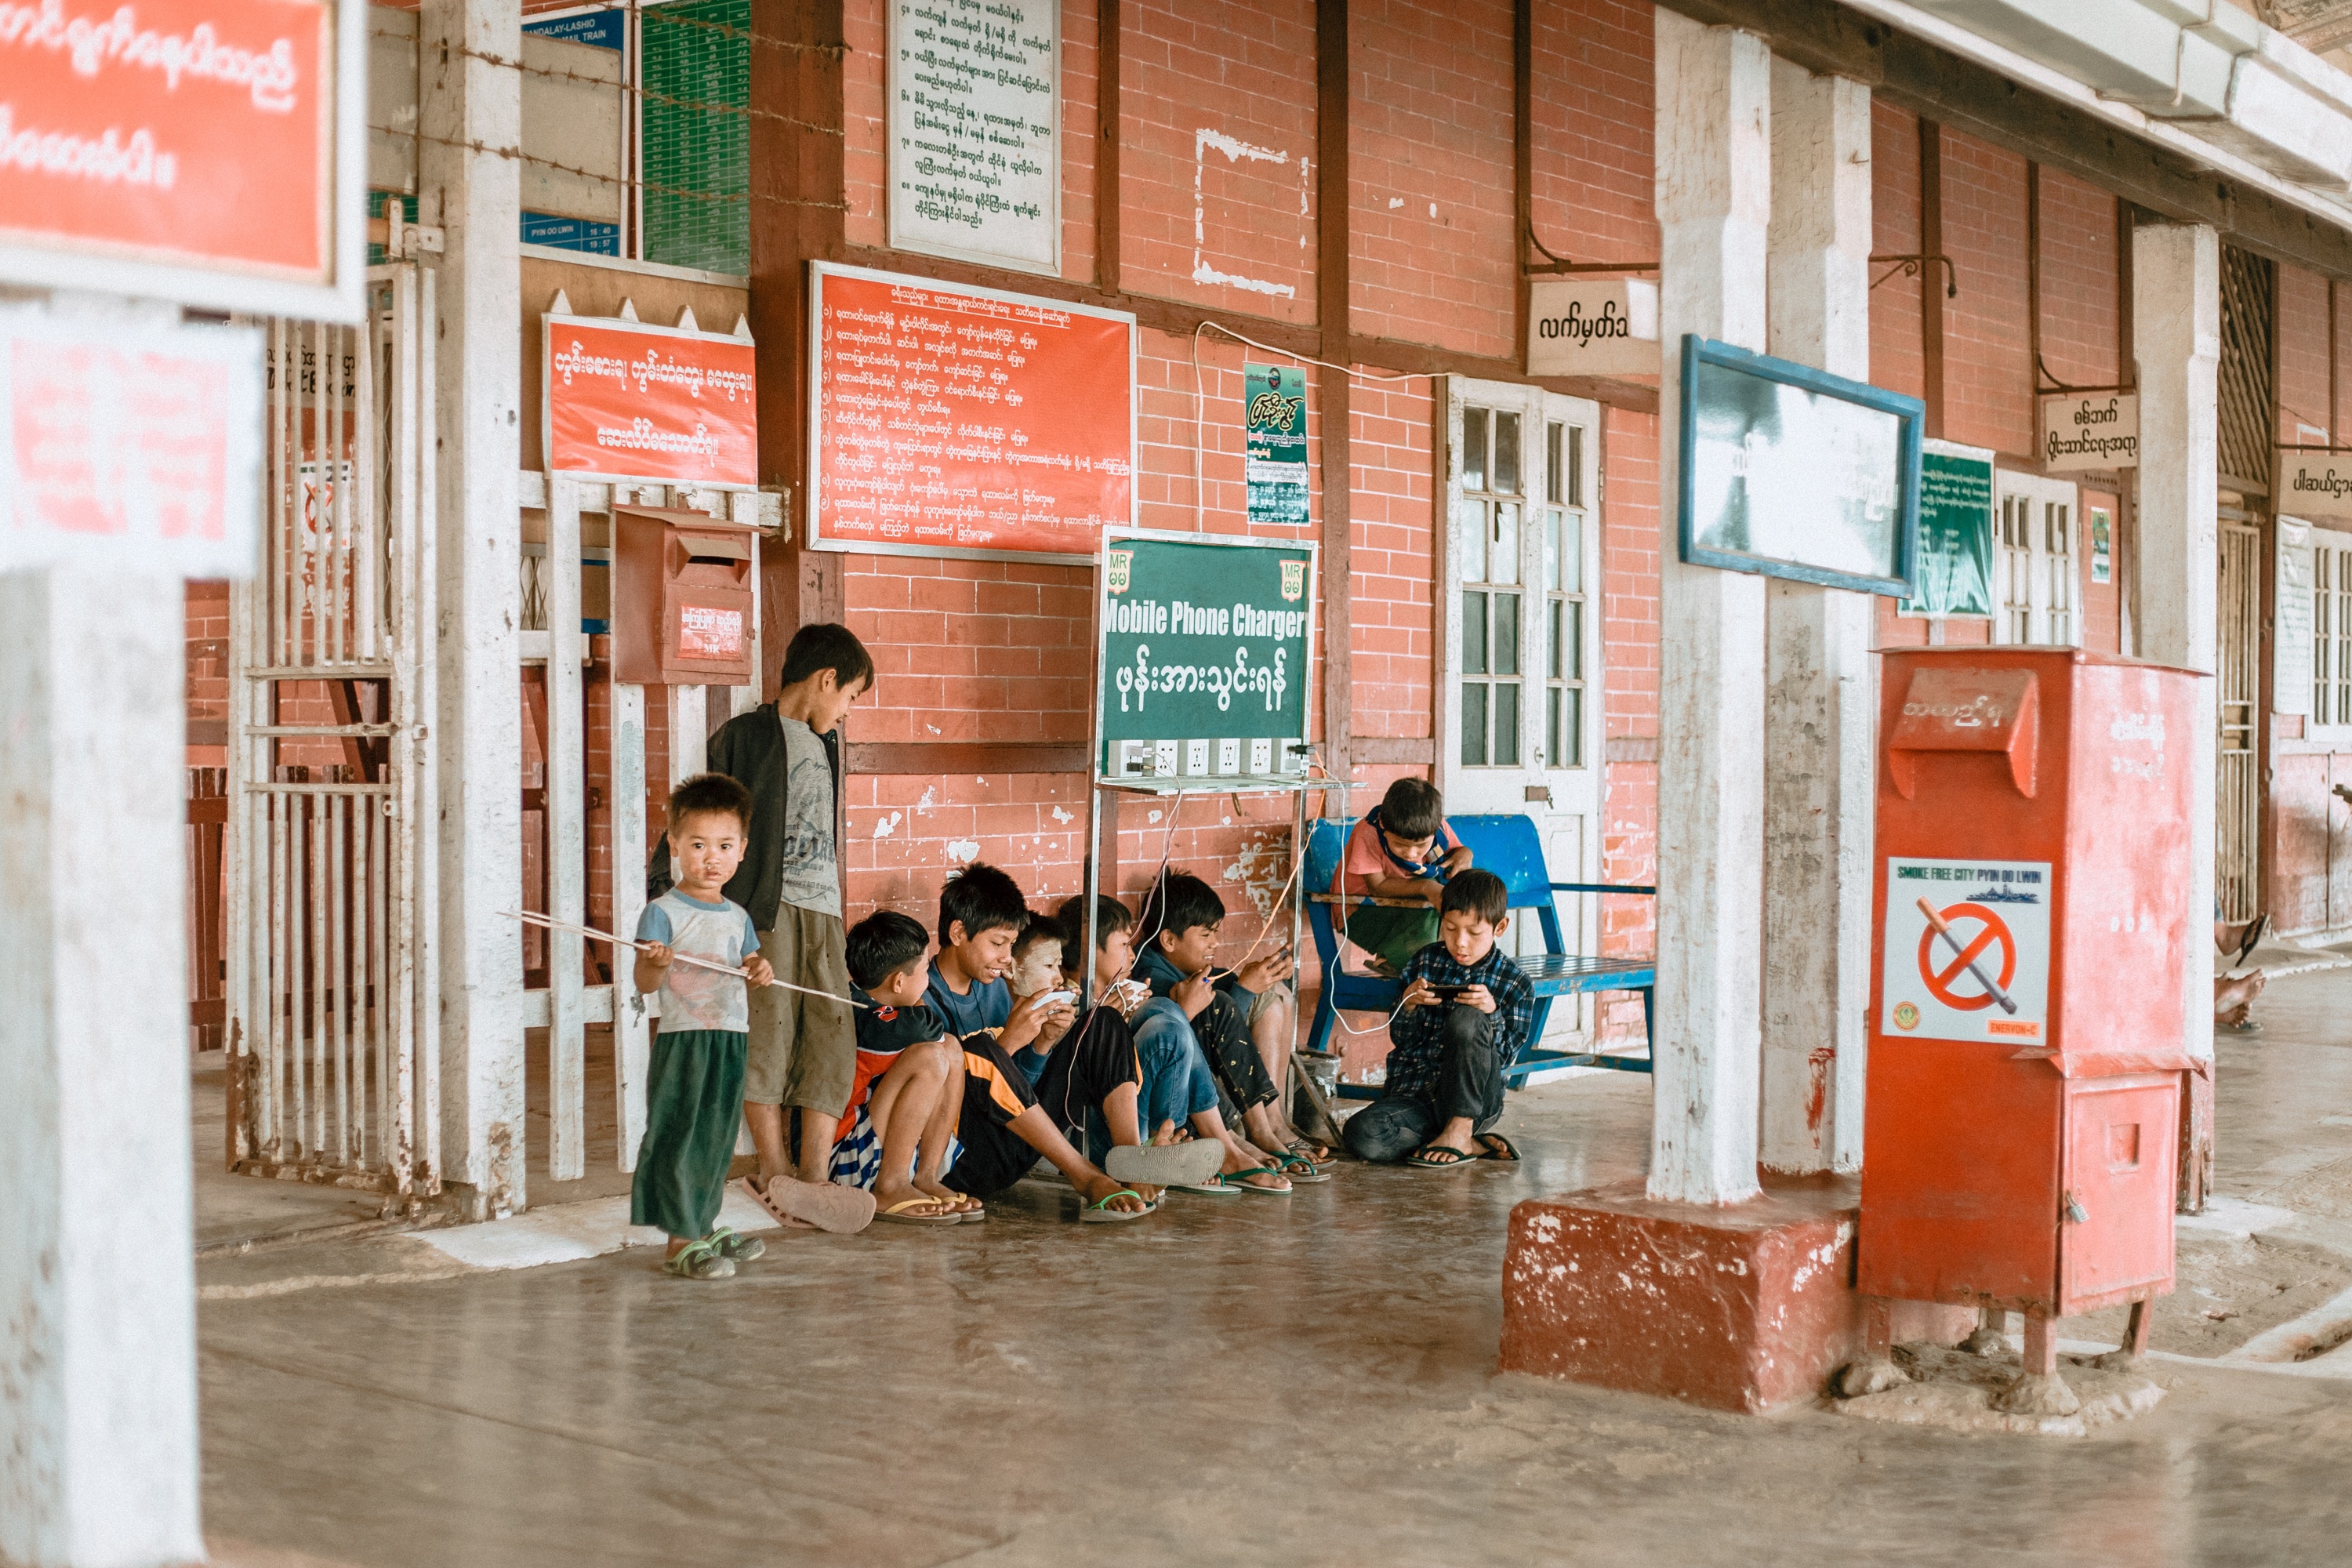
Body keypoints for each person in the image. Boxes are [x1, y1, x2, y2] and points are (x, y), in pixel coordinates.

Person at [656, 622, 871, 1203]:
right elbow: (700, 811)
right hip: (767, 914)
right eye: (850, 696)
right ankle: (774, 1171)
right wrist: (664, 884)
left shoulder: (824, 742)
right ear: (826, 680)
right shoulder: (747, 736)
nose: (848, 711)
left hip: (823, 913)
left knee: (831, 1036)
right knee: (770, 1036)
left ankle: (815, 1177)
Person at [629, 774, 775, 1279]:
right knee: (681, 1135)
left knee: (716, 1136)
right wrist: (657, 962)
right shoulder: (661, 914)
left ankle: (703, 1223)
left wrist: (761, 969)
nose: (711, 858)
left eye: (724, 846)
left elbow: (754, 967)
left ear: (741, 851)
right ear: (674, 845)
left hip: (730, 1038)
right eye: (697, 845)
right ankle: (679, 1242)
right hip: (684, 1041)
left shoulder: (738, 916)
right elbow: (645, 983)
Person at [1342, 869, 1538, 1169]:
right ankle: (1464, 1142)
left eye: (1474, 933)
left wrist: (1491, 1014)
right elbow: (1403, 1040)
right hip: (1417, 1094)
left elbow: (1506, 1057)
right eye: (1450, 928)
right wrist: (1408, 1004)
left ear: (1500, 927)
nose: (1460, 943)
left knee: (1468, 1019)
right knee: (1362, 1135)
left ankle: (1460, 1128)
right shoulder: (1425, 961)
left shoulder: (1516, 983)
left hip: (1476, 1102)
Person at [1133, 872, 1317, 1190]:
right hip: (1175, 1114)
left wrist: (1257, 977)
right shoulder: (1152, 980)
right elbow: (1194, 1046)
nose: (1216, 944)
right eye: (1206, 935)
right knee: (1220, 1004)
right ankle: (1247, 1133)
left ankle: (1271, 1125)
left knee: (1274, 993)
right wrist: (1242, 991)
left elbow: (1215, 985)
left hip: (1208, 1106)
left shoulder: (1178, 965)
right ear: (1169, 940)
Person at [831, 911, 968, 1225]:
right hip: (844, 1161)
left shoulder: (871, 1004)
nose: (929, 978)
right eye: (924, 969)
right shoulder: (873, 1021)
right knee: (930, 1056)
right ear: (898, 982)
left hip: (869, 1146)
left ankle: (926, 1176)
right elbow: (929, 1027)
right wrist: (917, 1000)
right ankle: (891, 1184)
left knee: (951, 1047)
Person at [1333, 778, 1471, 977]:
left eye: (1421, 845)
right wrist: (1426, 888)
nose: (1412, 854)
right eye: (1400, 844)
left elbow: (1458, 853)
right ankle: (1408, 963)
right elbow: (1378, 886)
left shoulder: (1436, 827)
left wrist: (1466, 854)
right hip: (1360, 913)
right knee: (1433, 894)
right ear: (1385, 827)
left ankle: (1454, 961)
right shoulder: (1369, 832)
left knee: (1462, 893)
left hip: (1404, 910)